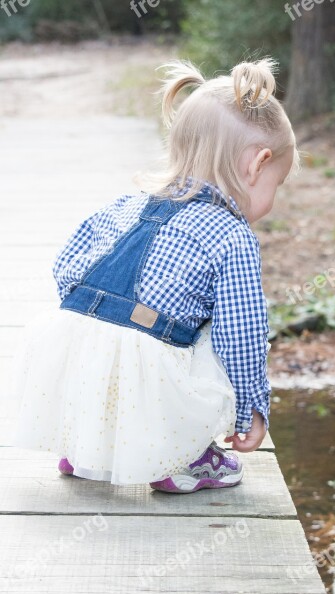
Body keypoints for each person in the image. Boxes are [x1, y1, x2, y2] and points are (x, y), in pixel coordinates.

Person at [11, 57, 299, 493]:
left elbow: (67, 272)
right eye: (275, 185)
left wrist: (101, 329)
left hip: (68, 362)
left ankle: (87, 446)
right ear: (257, 165)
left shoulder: (125, 205)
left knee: (106, 326)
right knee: (213, 335)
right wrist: (252, 411)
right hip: (156, 383)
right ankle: (181, 458)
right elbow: (242, 337)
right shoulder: (232, 235)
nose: (272, 199)